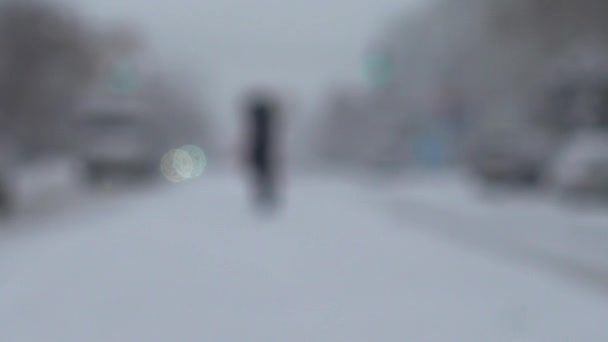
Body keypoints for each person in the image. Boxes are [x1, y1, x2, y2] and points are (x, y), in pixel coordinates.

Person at [241, 90, 282, 210]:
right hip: (262, 156)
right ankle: (264, 194)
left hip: (263, 156)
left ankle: (264, 194)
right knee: (262, 174)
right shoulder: (262, 129)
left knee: (263, 174)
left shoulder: (263, 129)